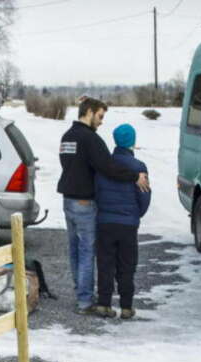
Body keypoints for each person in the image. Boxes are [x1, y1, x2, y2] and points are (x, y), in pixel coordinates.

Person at [58, 97, 150, 315]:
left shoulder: (67, 137)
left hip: (67, 201)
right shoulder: (91, 139)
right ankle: (85, 302)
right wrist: (134, 176)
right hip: (84, 202)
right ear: (89, 112)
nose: (101, 122)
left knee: (74, 252)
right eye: (100, 116)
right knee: (87, 252)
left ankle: (80, 293)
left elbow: (68, 165)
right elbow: (109, 168)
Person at [94, 124, 150, 320]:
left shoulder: (104, 164)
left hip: (105, 222)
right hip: (128, 224)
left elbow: (97, 193)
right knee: (126, 265)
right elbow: (144, 198)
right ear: (132, 141)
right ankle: (126, 307)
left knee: (105, 264)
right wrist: (134, 214)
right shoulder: (139, 167)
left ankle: (104, 304)